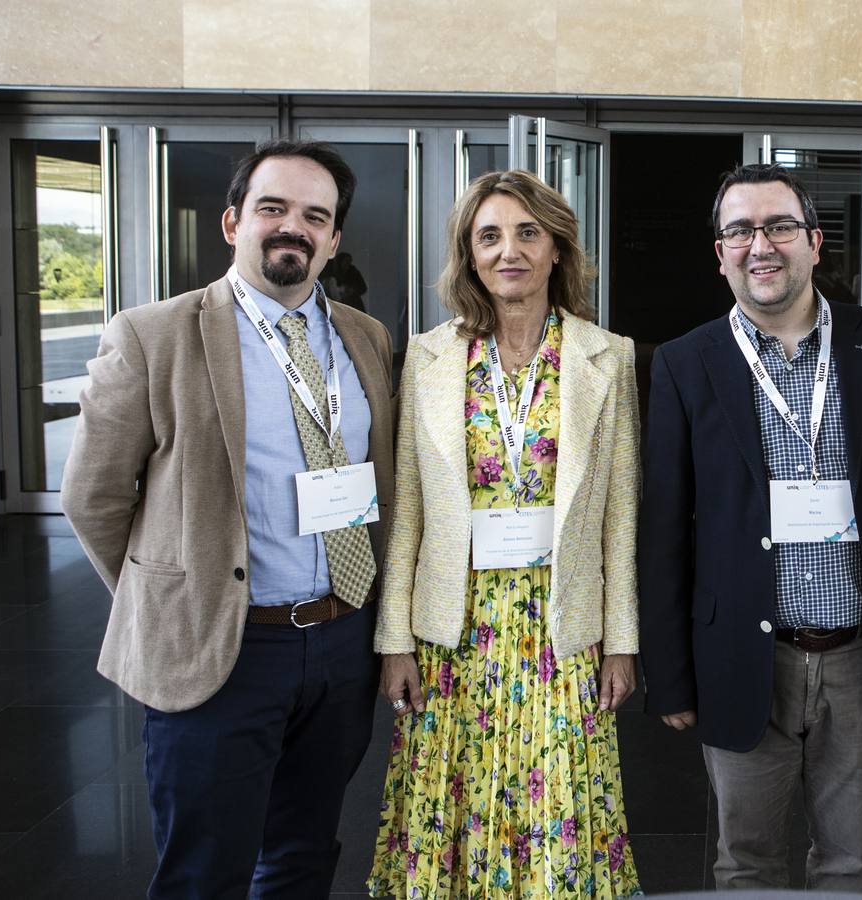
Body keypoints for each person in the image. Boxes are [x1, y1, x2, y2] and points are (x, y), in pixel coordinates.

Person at [62, 139, 395, 897]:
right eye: (272, 208)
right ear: (232, 222)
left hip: (341, 644)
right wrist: (173, 596)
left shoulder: (364, 337)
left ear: (334, 238)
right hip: (225, 649)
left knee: (304, 853)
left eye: (316, 216)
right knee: (205, 871)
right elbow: (94, 495)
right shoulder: (154, 334)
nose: (293, 228)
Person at [638, 163, 862, 892]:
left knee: (850, 862)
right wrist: (671, 676)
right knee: (744, 865)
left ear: (812, 242)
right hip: (742, 655)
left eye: (777, 226)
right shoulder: (684, 363)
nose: (759, 244)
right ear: (719, 253)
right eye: (739, 230)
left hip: (860, 657)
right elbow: (663, 530)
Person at [367, 169, 642, 897]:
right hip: (453, 632)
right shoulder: (426, 358)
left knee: (561, 810)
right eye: (488, 235)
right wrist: (393, 637)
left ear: (557, 249)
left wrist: (622, 641)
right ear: (468, 253)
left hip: (561, 629)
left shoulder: (607, 356)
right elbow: (409, 515)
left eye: (528, 232)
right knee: (449, 805)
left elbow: (620, 514)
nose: (508, 250)